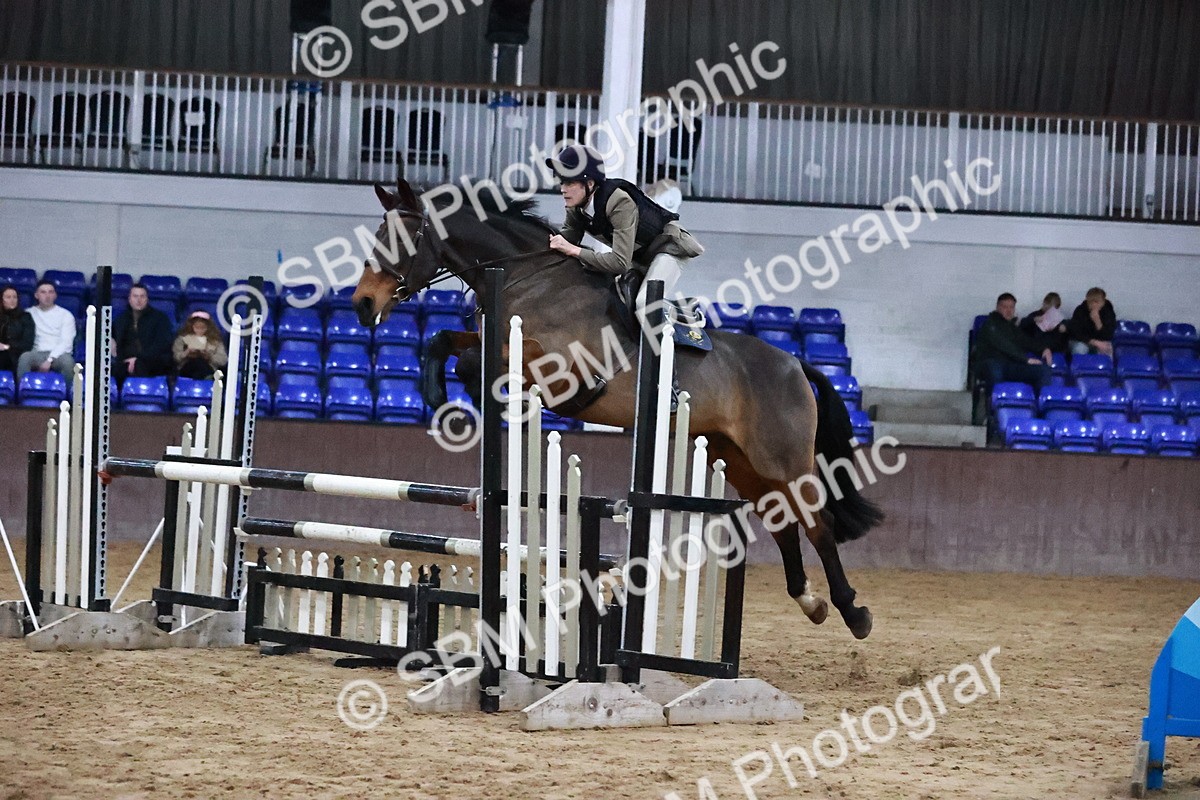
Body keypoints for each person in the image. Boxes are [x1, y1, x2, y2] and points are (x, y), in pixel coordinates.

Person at [545, 144, 704, 314]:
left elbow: (619, 263)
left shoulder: (619, 202)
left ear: (589, 183)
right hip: (638, 257)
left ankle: (686, 312)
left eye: (570, 183)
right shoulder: (576, 206)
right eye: (562, 182)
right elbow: (565, 241)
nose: (562, 189)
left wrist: (574, 250)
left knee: (644, 306)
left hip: (669, 250)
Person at [975, 293, 1053, 392]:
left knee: (1043, 370)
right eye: (1005, 307)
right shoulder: (990, 325)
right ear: (997, 307)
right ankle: (996, 403)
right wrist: (1025, 359)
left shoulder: (1012, 327)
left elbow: (1026, 341)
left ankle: (1040, 404)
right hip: (991, 363)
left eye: (1011, 307)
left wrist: (1044, 348)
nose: (1009, 310)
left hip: (1011, 365)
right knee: (994, 367)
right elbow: (1003, 345)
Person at [112, 283, 175, 383]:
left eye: (142, 296)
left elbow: (162, 345)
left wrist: (138, 359)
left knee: (139, 366)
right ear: (129, 299)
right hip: (127, 362)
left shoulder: (160, 319)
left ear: (147, 299)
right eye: (135, 296)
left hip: (154, 363)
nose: (139, 300)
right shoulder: (121, 320)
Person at [16, 280, 76, 381]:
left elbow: (66, 342)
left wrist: (50, 359)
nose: (47, 296)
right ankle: (20, 393)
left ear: (55, 295)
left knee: (68, 362)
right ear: (36, 295)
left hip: (59, 354)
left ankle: (71, 395)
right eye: (43, 292)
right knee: (24, 358)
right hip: (36, 353)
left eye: (50, 292)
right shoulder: (28, 313)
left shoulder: (66, 315)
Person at [172, 310, 228, 379]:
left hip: (208, 368)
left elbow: (223, 360)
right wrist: (186, 353)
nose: (199, 331)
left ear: (208, 327)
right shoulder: (182, 339)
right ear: (191, 326)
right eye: (197, 328)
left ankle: (207, 378)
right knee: (194, 362)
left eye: (203, 328)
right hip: (186, 368)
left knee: (200, 362)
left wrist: (209, 357)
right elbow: (175, 357)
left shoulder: (215, 341)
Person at [1067, 287, 1116, 356]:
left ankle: (1103, 366)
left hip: (1100, 341)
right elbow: (1076, 333)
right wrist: (1094, 342)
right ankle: (1080, 366)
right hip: (1081, 341)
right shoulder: (1080, 311)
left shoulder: (1108, 312)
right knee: (1080, 348)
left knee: (1106, 348)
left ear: (1103, 302)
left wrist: (1098, 322)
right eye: (1090, 302)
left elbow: (1108, 335)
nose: (1094, 305)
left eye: (1097, 302)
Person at [0, 284, 35, 377]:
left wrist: (7, 347)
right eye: (8, 297)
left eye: (14, 297)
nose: (12, 300)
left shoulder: (25, 317)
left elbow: (27, 343)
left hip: (14, 354)